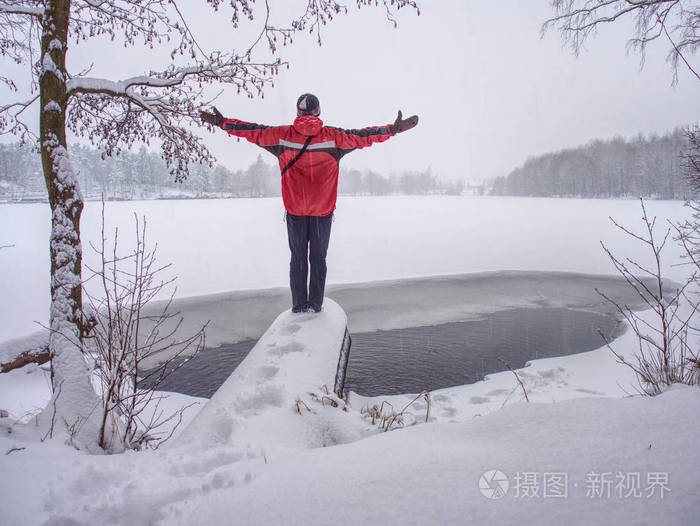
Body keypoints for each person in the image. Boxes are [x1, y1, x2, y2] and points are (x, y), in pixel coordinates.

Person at [201, 94, 418, 313]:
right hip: (322, 211)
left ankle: (298, 306)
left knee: (297, 259)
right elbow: (364, 136)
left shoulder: (282, 136)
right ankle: (315, 305)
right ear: (318, 111)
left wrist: (223, 123)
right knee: (318, 258)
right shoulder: (334, 138)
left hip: (295, 210)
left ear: (298, 112)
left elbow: (252, 131)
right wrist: (392, 129)